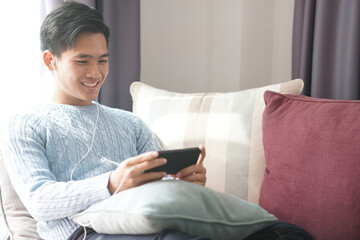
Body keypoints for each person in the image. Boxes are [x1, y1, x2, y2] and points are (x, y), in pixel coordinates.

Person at [1, 2, 207, 240]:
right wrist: (110, 184)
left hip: (145, 224)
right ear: (50, 61)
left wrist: (184, 182)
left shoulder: (131, 124)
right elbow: (39, 200)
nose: (95, 73)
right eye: (82, 61)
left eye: (102, 60)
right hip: (86, 234)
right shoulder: (24, 124)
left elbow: (159, 186)